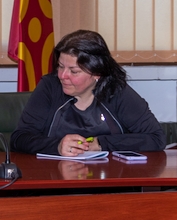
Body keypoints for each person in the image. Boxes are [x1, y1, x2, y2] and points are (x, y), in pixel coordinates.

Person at [12, 29, 166, 156]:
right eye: (60, 66)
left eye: (74, 71)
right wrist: (57, 146)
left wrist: (101, 143)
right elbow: (19, 138)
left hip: (109, 182)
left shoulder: (117, 91)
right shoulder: (49, 87)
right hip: (55, 181)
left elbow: (156, 138)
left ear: (97, 73)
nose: (62, 75)